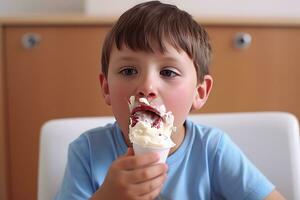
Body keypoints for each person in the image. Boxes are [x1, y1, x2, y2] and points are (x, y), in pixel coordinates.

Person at [56, 1, 285, 199]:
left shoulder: (213, 151)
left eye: (168, 72)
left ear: (200, 92)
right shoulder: (87, 152)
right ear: (106, 88)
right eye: (128, 71)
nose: (146, 87)